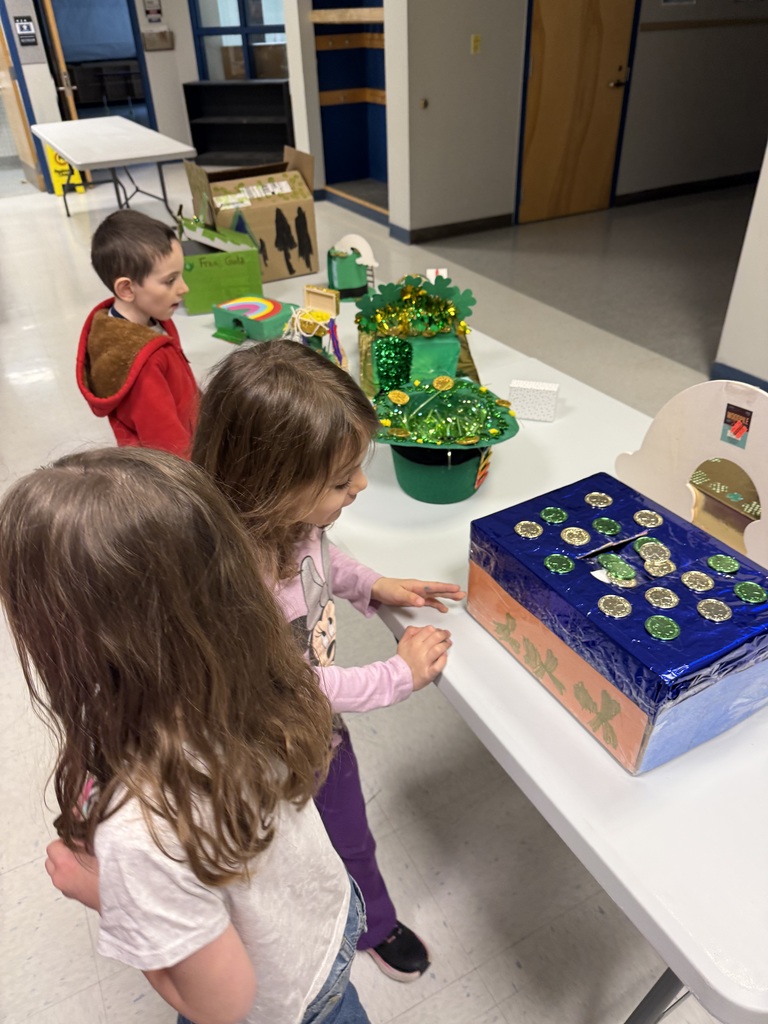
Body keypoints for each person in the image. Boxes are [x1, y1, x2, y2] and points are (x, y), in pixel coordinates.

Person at [0, 447, 371, 1024]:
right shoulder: (260, 675)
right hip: (327, 921)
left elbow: (221, 1006)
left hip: (282, 1002)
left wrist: (108, 896)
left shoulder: (140, 831)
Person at [192, 340, 466, 983]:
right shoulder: (227, 578)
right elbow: (290, 685)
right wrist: (398, 674)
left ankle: (372, 923)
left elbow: (323, 558)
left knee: (350, 836)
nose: (362, 486)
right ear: (268, 481)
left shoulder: (293, 521)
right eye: (342, 480)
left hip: (317, 737)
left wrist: (372, 585)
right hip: (261, 748)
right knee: (275, 860)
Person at [76, 209, 198, 457]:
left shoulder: (150, 321)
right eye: (170, 280)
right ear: (127, 289)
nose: (184, 288)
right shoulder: (143, 362)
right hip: (175, 475)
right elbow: (167, 446)